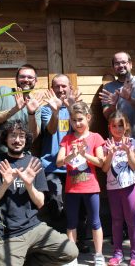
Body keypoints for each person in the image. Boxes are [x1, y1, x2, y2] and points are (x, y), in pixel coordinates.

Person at [0, 120, 79, 266]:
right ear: (5, 138)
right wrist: (5, 184)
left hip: (34, 228)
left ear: (26, 140)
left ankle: (30, 260)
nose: (17, 140)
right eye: (13, 135)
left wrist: (29, 184)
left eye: (21, 136)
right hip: (6, 235)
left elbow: (40, 202)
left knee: (70, 251)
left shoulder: (34, 163)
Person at [99, 52, 135, 241]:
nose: (121, 66)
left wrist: (129, 98)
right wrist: (114, 105)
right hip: (118, 144)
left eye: (124, 62)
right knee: (120, 185)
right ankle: (121, 228)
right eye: (117, 63)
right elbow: (107, 115)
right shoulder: (108, 87)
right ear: (113, 66)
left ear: (130, 63)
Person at [41, 74, 90, 253]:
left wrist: (70, 107)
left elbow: (83, 129)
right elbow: (51, 129)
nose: (61, 90)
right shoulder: (47, 109)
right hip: (52, 166)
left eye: (64, 86)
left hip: (76, 165)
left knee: (81, 206)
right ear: (52, 89)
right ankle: (62, 243)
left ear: (70, 87)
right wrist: (55, 111)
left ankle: (81, 241)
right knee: (56, 203)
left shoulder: (78, 110)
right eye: (57, 87)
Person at [56, 101, 105, 266]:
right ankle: (72, 257)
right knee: (71, 223)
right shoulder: (67, 139)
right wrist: (72, 155)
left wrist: (85, 154)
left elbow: (101, 161)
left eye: (80, 119)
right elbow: (59, 162)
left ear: (88, 118)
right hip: (71, 189)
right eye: (74, 120)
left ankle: (99, 255)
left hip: (91, 187)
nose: (77, 123)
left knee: (95, 221)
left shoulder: (95, 137)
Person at [102, 111, 135, 266]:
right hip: (113, 189)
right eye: (114, 126)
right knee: (116, 221)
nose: (118, 129)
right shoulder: (106, 144)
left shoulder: (132, 142)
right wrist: (110, 154)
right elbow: (105, 168)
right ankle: (117, 254)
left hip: (130, 188)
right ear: (110, 127)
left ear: (126, 126)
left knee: (131, 221)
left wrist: (128, 151)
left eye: (121, 125)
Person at [0, 64, 43, 157]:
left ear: (35, 81)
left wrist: (31, 113)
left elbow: (33, 136)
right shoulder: (3, 92)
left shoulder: (35, 106)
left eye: (30, 77)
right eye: (22, 76)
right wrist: (15, 109)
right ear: (16, 79)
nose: (26, 80)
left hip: (21, 157)